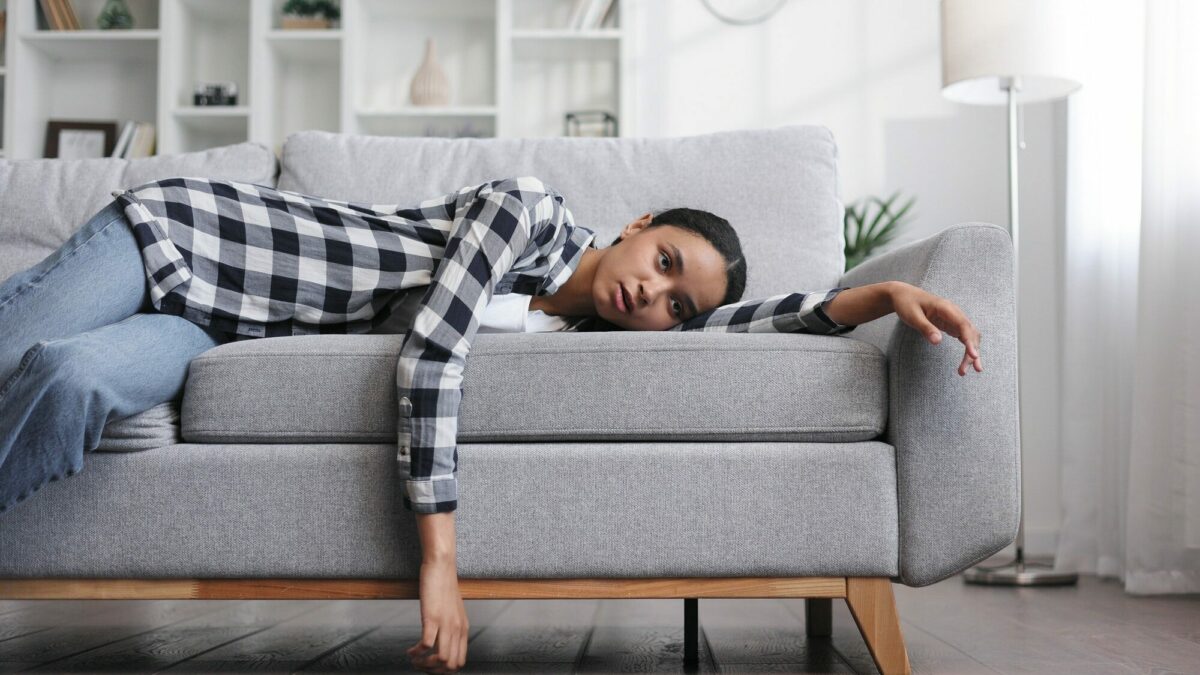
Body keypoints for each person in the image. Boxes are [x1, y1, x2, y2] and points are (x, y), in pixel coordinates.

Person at [0, 175, 982, 673]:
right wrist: (439, 563)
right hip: (180, 237)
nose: (658, 294)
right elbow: (432, 353)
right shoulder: (526, 209)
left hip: (202, 327)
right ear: (639, 226)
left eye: (677, 304)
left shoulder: (591, 323)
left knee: (71, 379)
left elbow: (761, 321)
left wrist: (885, 294)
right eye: (669, 260)